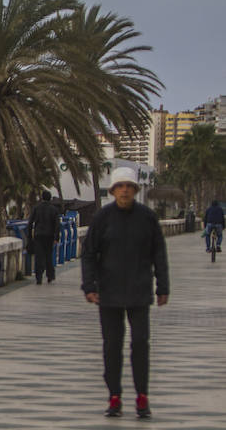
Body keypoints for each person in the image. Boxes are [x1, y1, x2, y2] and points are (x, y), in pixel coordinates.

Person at [81, 167, 169, 419]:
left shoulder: (147, 217)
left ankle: (142, 397)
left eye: (129, 186)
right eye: (120, 186)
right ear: (113, 191)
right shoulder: (102, 218)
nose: (125, 190)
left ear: (135, 190)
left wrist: (163, 286)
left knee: (140, 344)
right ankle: (115, 396)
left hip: (139, 292)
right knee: (112, 346)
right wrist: (89, 286)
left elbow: (159, 253)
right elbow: (88, 254)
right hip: (108, 293)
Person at [27, 190, 60, 284]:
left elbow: (30, 223)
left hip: (38, 235)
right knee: (48, 255)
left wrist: (29, 237)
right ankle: (50, 275)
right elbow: (57, 225)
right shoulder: (54, 209)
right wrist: (56, 238)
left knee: (39, 256)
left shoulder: (36, 208)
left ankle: (39, 277)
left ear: (42, 197)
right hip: (49, 236)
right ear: (50, 198)